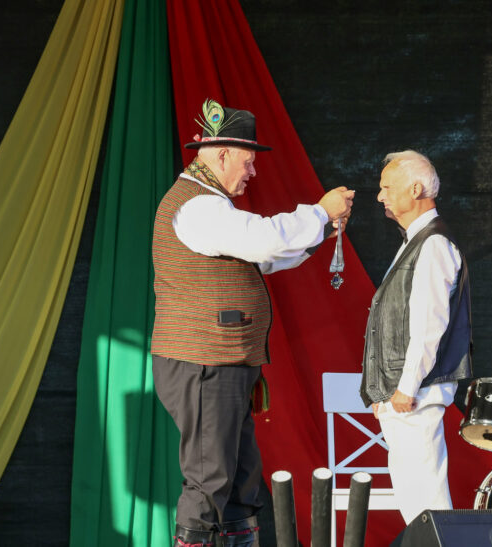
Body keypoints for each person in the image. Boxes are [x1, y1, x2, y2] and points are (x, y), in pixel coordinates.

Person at [151, 101, 354, 547]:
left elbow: (266, 257)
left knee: (239, 477)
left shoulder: (208, 205)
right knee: (209, 478)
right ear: (222, 154)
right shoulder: (198, 207)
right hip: (205, 362)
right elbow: (264, 240)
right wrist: (319, 212)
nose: (253, 172)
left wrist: (321, 230)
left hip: (221, 363)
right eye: (248, 161)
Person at [359, 150, 472, 524]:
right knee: (415, 499)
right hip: (404, 394)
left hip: (416, 394)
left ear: (416, 189)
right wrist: (384, 393)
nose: (380, 196)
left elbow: (428, 324)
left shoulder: (433, 244)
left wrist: (405, 388)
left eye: (387, 187)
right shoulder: (416, 241)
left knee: (426, 503)